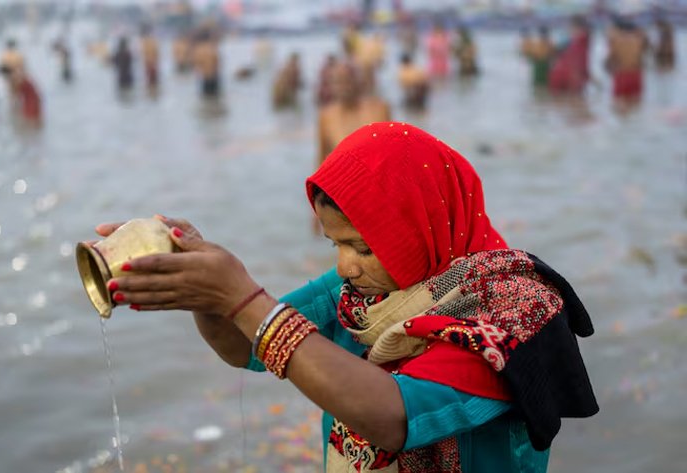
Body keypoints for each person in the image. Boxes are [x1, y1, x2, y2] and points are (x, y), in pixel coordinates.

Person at [97, 122, 599, 472]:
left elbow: (392, 416)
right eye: (335, 243)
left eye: (361, 246)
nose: (345, 265)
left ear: (417, 227)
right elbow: (245, 346)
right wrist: (203, 291)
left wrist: (239, 295)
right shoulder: (362, 291)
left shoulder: (510, 312)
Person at [316, 62, 390, 168]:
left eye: (348, 80)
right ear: (331, 86)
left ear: (358, 81)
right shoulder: (326, 117)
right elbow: (322, 162)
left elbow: (392, 152)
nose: (343, 87)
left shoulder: (379, 109)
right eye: (338, 82)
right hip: (344, 180)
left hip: (375, 179)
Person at [605, 17, 647, 102]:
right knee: (636, 104)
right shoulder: (639, 39)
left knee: (619, 105)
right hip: (636, 74)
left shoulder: (615, 40)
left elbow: (610, 58)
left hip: (622, 74)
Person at [548, 16, 590, 94]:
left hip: (565, 76)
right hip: (567, 77)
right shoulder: (577, 41)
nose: (569, 29)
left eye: (571, 27)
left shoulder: (579, 40)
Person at [192, 29, 221, 99]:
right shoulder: (212, 48)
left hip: (205, 77)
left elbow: (196, 65)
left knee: (206, 98)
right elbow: (217, 63)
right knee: (215, 98)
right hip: (214, 76)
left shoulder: (198, 50)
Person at [140, 24, 160, 90]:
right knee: (152, 84)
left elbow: (156, 54)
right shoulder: (148, 42)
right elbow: (156, 54)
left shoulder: (147, 42)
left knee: (152, 84)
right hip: (150, 65)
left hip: (151, 65)